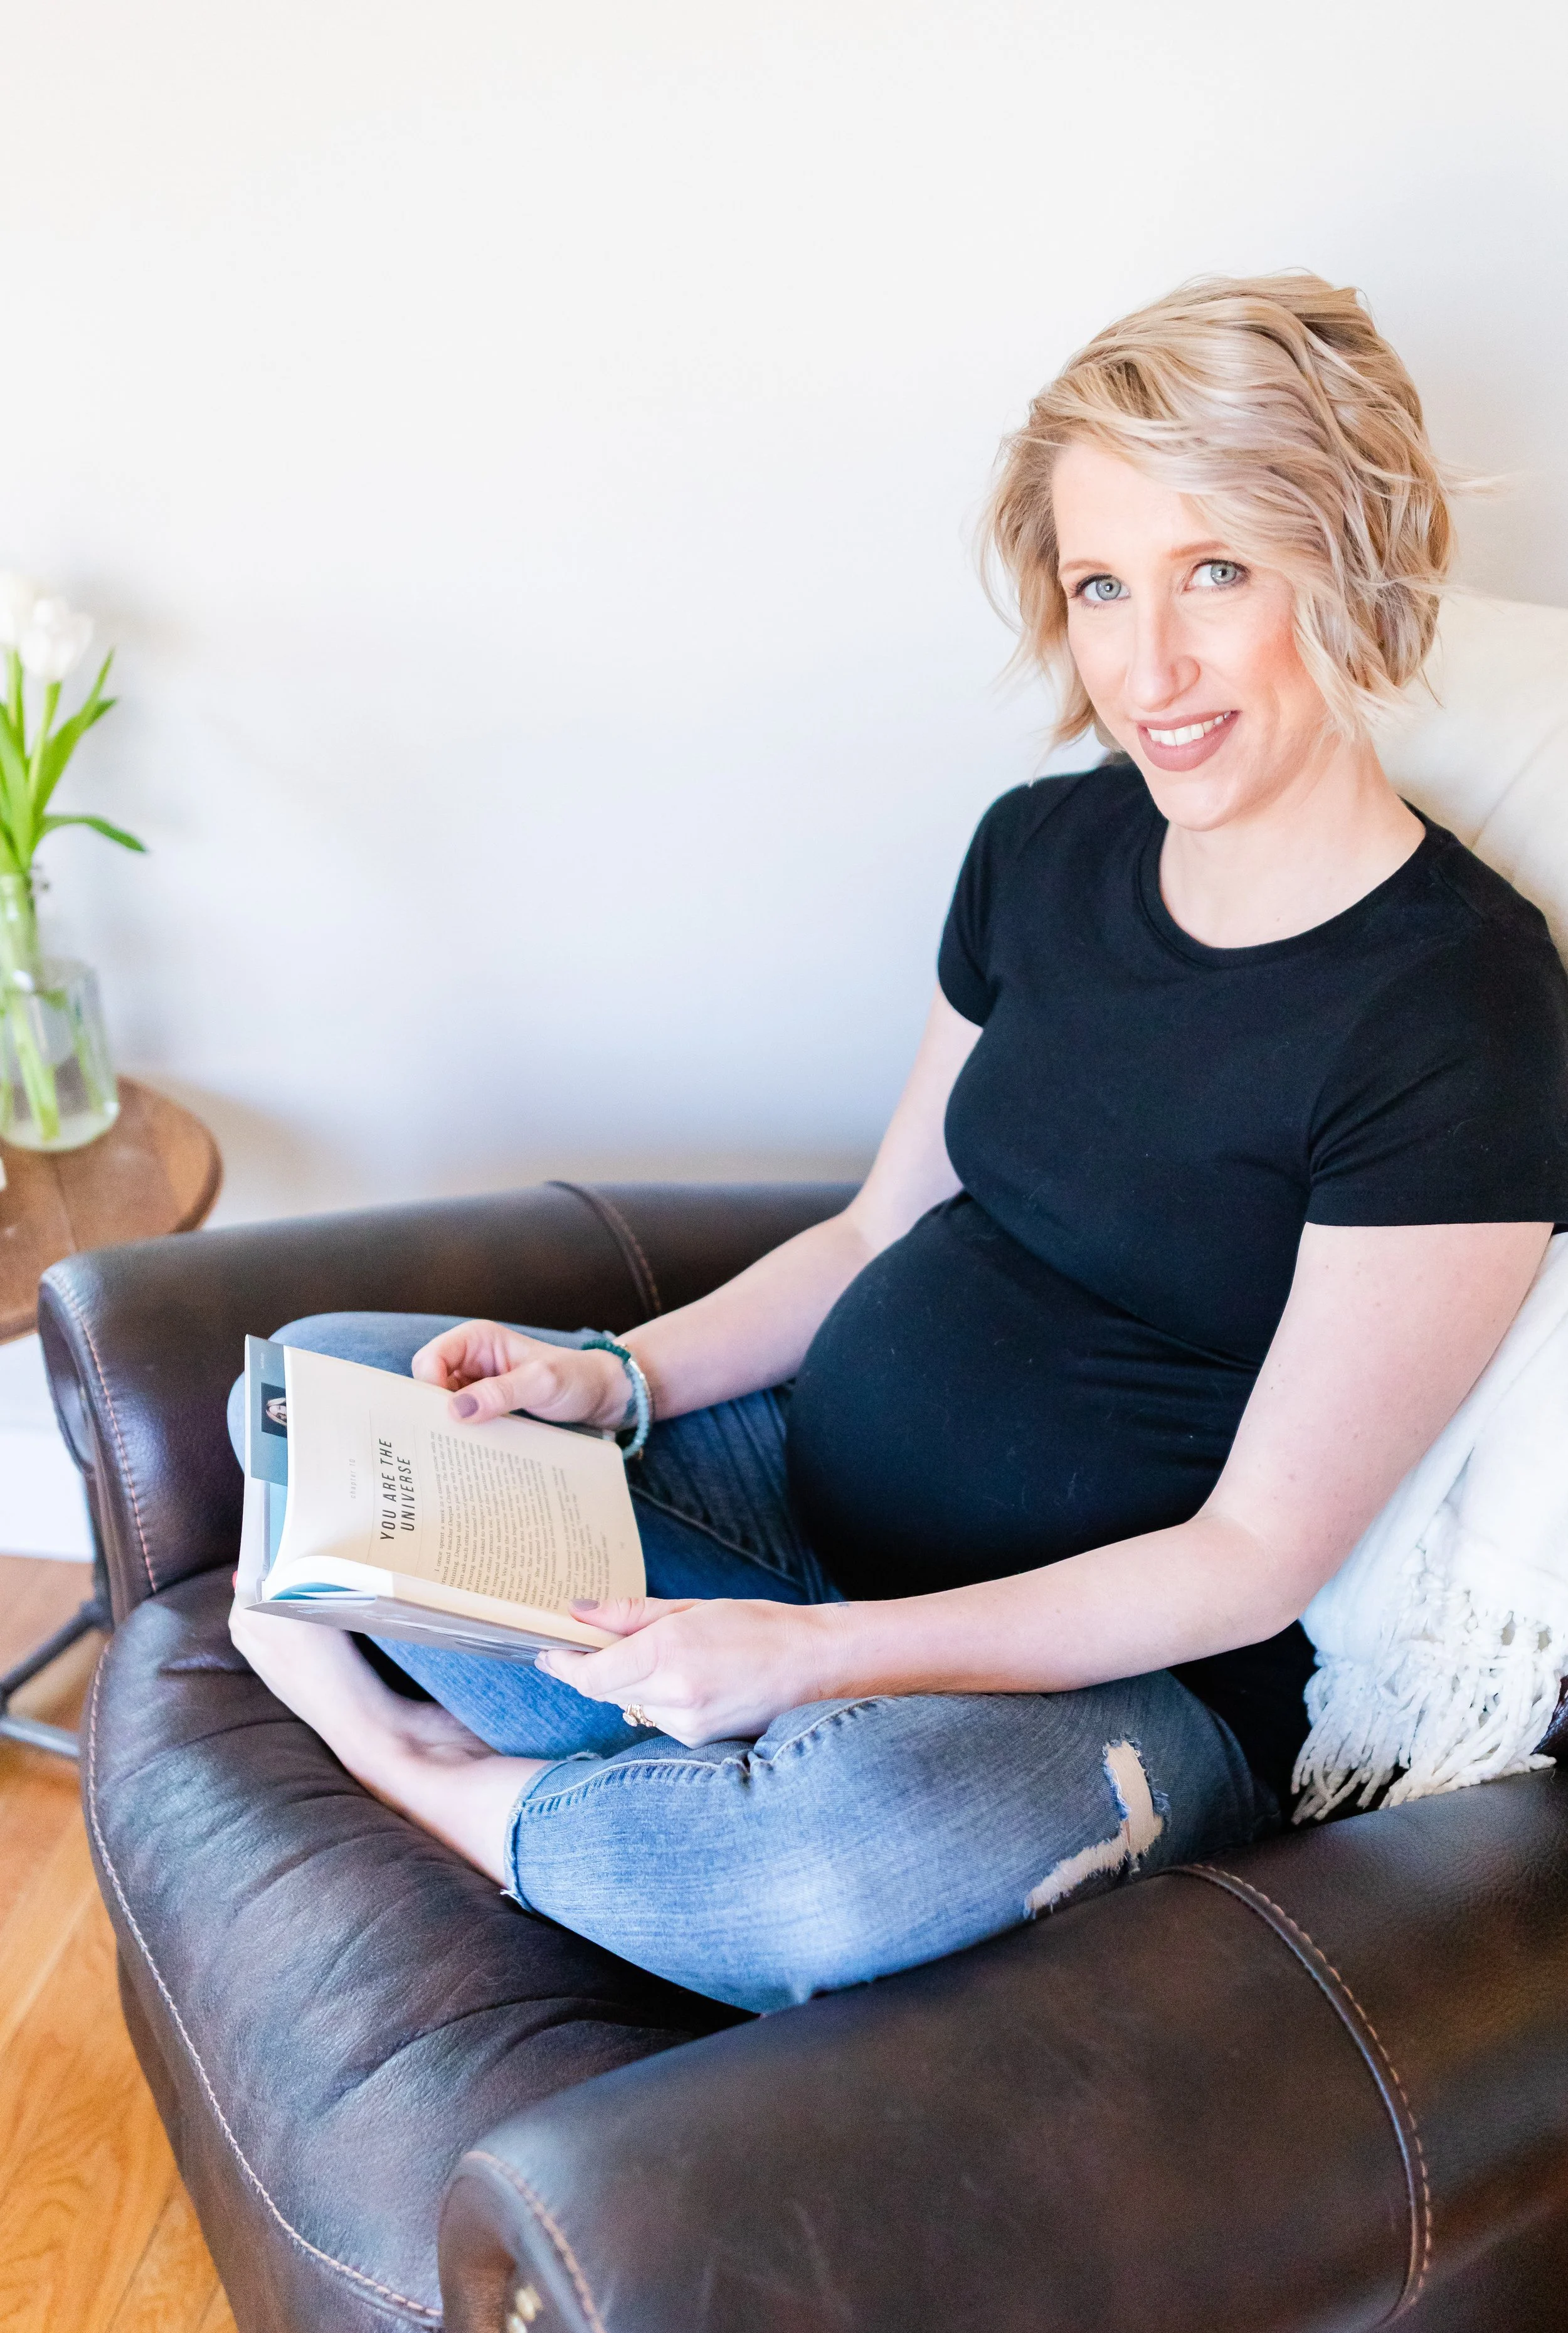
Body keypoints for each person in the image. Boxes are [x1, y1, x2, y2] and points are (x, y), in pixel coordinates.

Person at [231, 273, 1568, 2014]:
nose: (1144, 666)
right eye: (1100, 586)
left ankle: (438, 1783)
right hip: (784, 1515)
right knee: (325, 1383)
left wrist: (815, 1659)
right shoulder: (1042, 849)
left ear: (1353, 557)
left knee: (845, 1862)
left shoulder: (1458, 1010)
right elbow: (876, 1231)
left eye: (1213, 572)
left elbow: (1257, 1553)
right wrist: (614, 1384)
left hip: (1116, 1686)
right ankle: (661, 1794)